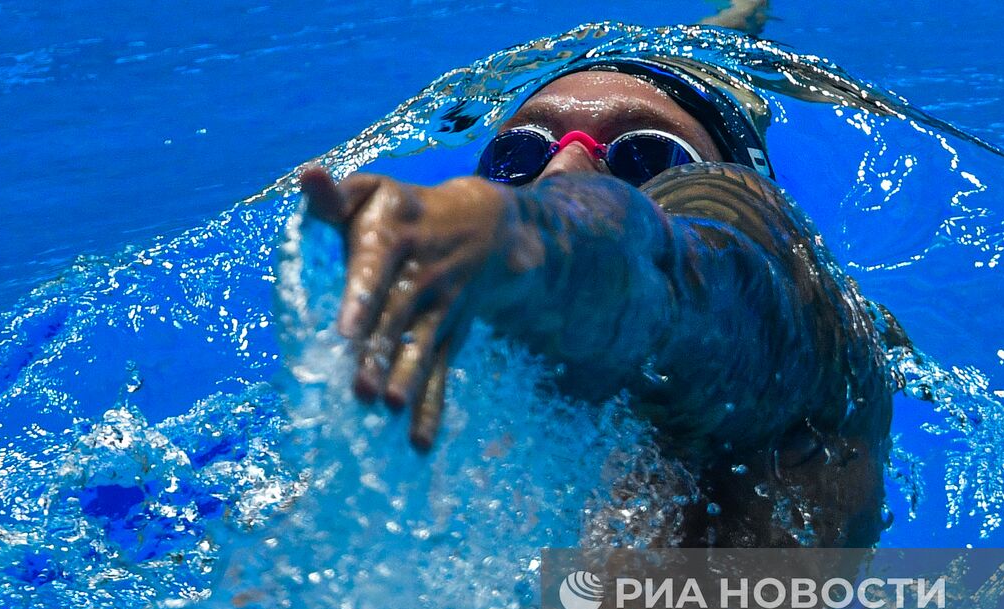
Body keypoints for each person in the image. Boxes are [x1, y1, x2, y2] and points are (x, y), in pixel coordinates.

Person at [297, 51, 897, 550]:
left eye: (649, 155)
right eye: (519, 154)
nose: (562, 171)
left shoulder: (789, 309)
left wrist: (515, 236)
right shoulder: (440, 378)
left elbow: (664, 275)